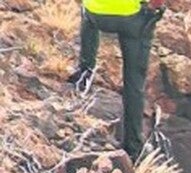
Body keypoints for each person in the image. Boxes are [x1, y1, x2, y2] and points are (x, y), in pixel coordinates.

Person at [69, 0, 166, 160]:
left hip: (95, 13)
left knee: (86, 14)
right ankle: (133, 147)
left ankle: (85, 71)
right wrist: (152, 9)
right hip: (131, 18)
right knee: (134, 82)